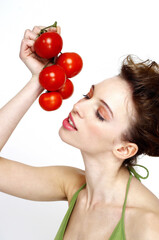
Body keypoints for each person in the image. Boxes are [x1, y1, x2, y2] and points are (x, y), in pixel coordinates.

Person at [0, 25, 159, 240]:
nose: (78, 106)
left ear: (124, 148)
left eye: (101, 114)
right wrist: (39, 81)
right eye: (87, 95)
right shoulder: (73, 184)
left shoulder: (148, 226)